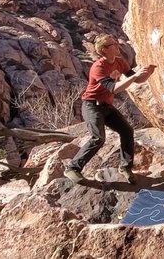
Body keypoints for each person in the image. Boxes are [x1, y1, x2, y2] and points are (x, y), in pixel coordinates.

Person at [64, 34, 155, 184]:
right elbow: (114, 88)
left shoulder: (119, 61)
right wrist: (135, 76)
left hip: (106, 105)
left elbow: (137, 79)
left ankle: (125, 167)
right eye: (113, 44)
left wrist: (148, 73)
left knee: (127, 131)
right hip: (92, 105)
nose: (117, 45)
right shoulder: (98, 67)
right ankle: (72, 168)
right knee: (98, 138)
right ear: (104, 50)